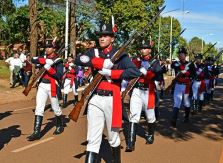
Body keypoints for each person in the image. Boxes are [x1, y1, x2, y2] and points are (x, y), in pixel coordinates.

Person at [75, 21, 140, 163]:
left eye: (106, 36)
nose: (102, 38)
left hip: (112, 99)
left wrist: (112, 72)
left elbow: (134, 72)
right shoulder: (94, 52)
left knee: (113, 138)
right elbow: (79, 59)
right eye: (100, 36)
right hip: (95, 98)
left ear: (112, 38)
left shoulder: (120, 54)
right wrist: (99, 63)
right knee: (92, 139)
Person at [125, 39, 162, 152]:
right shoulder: (135, 60)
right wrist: (138, 69)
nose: (142, 50)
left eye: (145, 48)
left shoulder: (155, 62)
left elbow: (158, 76)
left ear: (149, 50)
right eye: (141, 48)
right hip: (136, 90)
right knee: (133, 115)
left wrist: (148, 72)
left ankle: (150, 134)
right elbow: (130, 71)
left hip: (148, 91)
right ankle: (131, 142)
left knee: (150, 116)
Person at [27, 41, 64, 141]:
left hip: (52, 85)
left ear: (54, 49)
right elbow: (33, 59)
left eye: (49, 47)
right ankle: (36, 132)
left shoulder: (58, 61)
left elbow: (59, 75)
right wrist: (45, 62)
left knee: (55, 108)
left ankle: (60, 125)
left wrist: (50, 69)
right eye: (46, 47)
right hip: (42, 85)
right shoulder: (43, 57)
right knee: (39, 107)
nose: (47, 49)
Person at [170, 47, 195, 127]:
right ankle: (174, 119)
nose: (181, 56)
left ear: (185, 55)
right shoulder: (176, 63)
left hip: (186, 86)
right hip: (178, 85)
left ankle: (186, 117)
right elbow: (173, 66)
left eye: (182, 54)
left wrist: (187, 72)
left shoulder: (190, 64)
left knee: (187, 103)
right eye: (179, 54)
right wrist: (181, 68)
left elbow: (194, 74)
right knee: (176, 103)